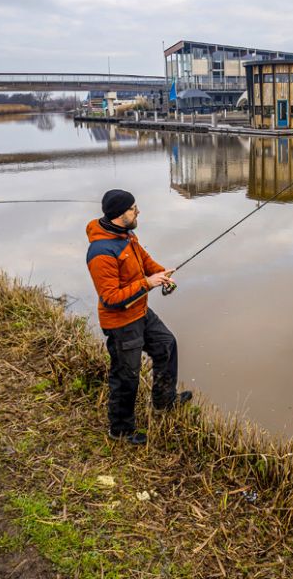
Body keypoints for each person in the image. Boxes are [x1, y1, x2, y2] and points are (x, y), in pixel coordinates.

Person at [86, 189, 190, 445]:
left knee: (166, 345)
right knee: (126, 375)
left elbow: (144, 260)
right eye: (134, 208)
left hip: (140, 311)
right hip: (121, 323)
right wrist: (148, 283)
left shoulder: (126, 235)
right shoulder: (101, 252)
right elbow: (110, 298)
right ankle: (120, 430)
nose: (138, 211)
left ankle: (164, 402)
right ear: (121, 215)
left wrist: (161, 273)